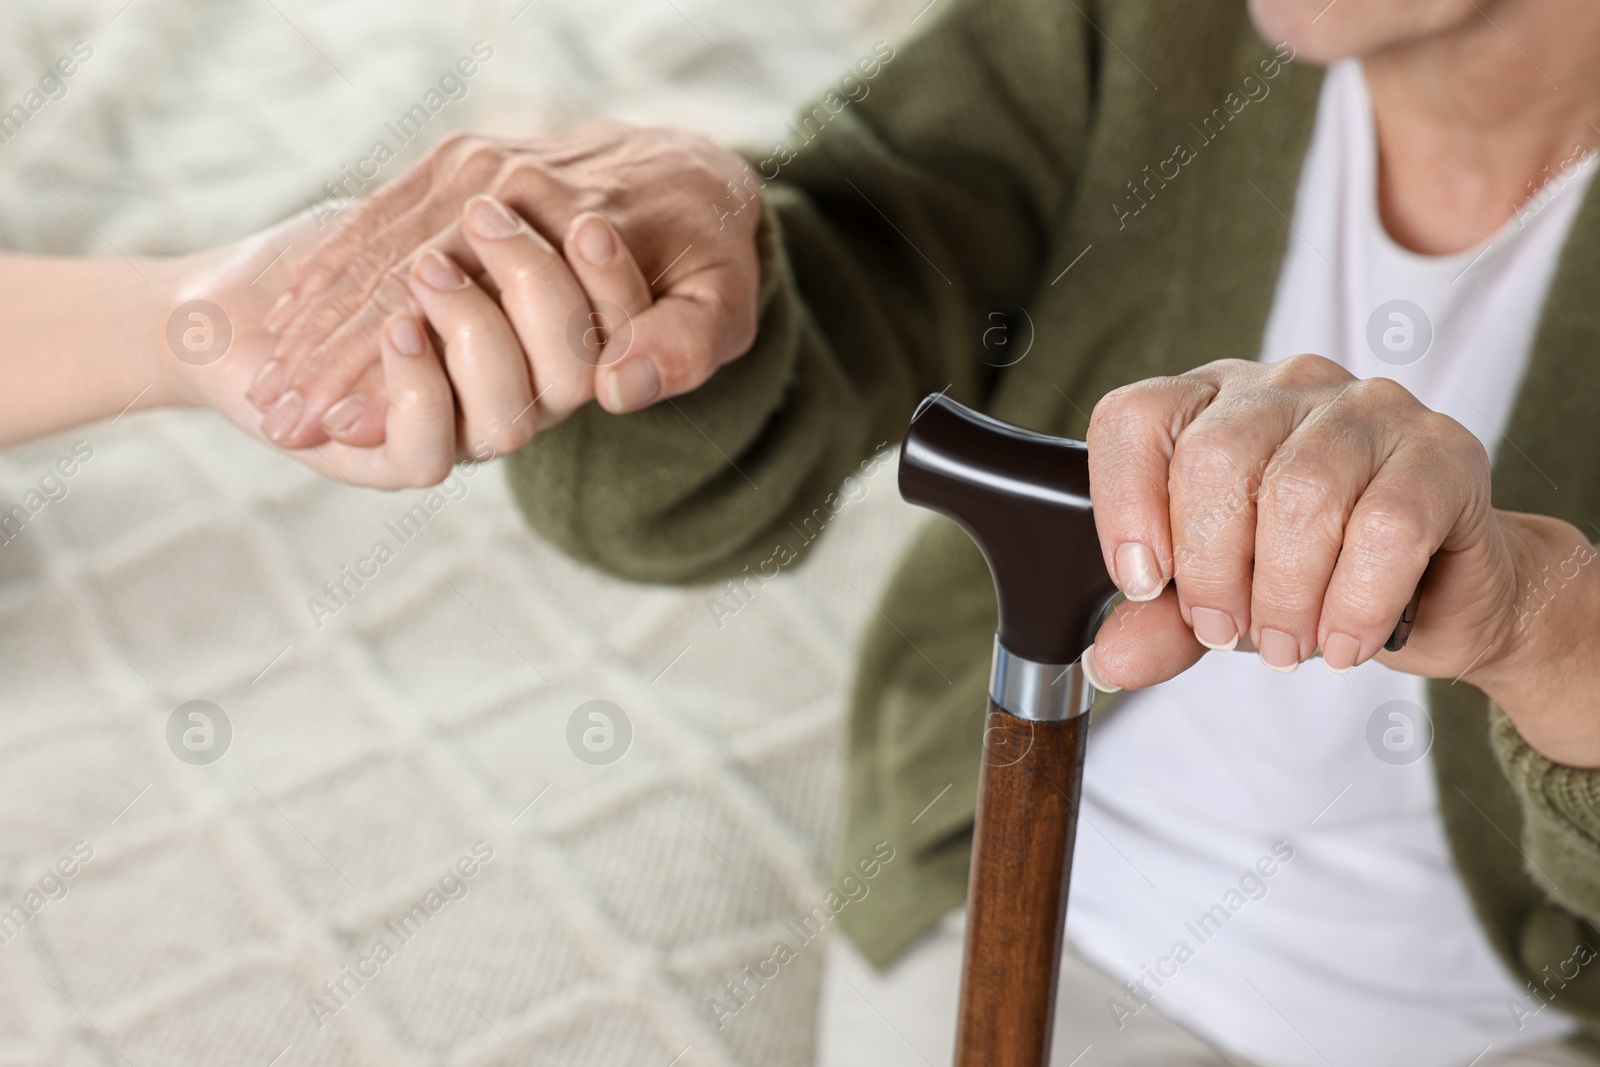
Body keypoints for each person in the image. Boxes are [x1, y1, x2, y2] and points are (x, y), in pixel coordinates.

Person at [8, 0, 1600, 1063]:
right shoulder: (1130, 30)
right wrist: (690, 277)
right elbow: (857, 240)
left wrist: (1544, 622)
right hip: (1028, 915)